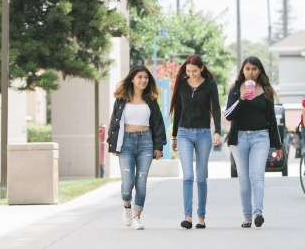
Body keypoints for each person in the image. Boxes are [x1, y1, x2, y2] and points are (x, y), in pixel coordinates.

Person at [223, 56, 282, 229]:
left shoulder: (266, 91)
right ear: (243, 70)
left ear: (259, 71)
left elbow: (272, 120)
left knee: (257, 176)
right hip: (239, 138)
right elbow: (228, 115)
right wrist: (241, 98)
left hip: (261, 137)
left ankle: (258, 213)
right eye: (247, 68)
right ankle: (247, 216)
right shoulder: (235, 89)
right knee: (244, 179)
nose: (251, 72)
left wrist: (278, 145)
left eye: (254, 69)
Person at [107, 65, 166, 230]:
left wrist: (158, 146)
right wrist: (112, 145)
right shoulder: (121, 100)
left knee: (141, 182)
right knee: (127, 183)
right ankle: (126, 205)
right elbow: (114, 123)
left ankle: (137, 217)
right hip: (126, 142)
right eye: (140, 77)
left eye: (146, 77)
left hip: (146, 142)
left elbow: (158, 124)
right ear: (132, 79)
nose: (143, 80)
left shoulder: (151, 100)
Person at [170, 54, 222, 230]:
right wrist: (174, 136)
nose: (191, 74)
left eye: (194, 71)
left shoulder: (210, 85)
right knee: (188, 176)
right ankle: (187, 216)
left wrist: (217, 132)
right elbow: (178, 111)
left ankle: (201, 216)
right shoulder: (182, 86)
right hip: (184, 133)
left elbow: (216, 108)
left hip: (203, 134)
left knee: (200, 177)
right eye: (188, 71)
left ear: (201, 69)